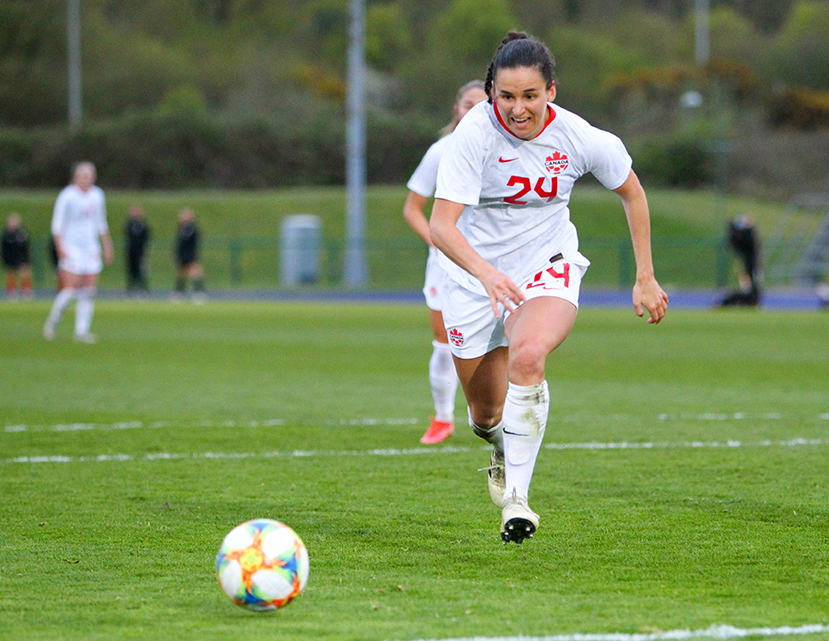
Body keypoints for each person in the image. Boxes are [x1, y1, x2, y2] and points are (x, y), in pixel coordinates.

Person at [429, 31, 668, 545]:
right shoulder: (472, 136)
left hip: (546, 262)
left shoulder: (580, 138)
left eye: (530, 96)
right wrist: (487, 274)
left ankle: (517, 501)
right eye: (507, 97)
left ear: (551, 92)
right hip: (472, 280)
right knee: (484, 415)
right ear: (493, 94)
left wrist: (644, 275)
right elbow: (441, 226)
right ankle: (499, 448)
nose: (518, 109)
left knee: (530, 355)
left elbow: (633, 193)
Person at [404, 80, 489, 444]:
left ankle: (493, 415)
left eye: (481, 105)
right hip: (446, 263)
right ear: (456, 109)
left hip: (493, 261)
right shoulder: (441, 151)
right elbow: (412, 209)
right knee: (445, 340)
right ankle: (442, 417)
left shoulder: (506, 150)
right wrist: (437, 243)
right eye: (467, 104)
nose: (473, 111)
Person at [43, 162, 114, 342]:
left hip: (91, 247)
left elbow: (101, 222)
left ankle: (81, 331)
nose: (87, 178)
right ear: (76, 176)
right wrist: (60, 247)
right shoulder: (67, 196)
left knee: (88, 290)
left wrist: (107, 245)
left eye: (90, 175)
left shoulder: (98, 195)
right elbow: (57, 224)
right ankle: (53, 322)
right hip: (71, 246)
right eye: (83, 175)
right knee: (71, 289)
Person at [718, 214, 761, 307]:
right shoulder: (745, 245)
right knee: (750, 287)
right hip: (748, 263)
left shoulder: (749, 241)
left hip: (750, 264)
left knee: (752, 288)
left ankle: (733, 300)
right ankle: (732, 300)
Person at [172, 208, 205, 302]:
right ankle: (179, 292)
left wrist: (193, 255)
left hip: (190, 253)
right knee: (181, 273)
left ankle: (199, 292)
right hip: (182, 254)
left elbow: (192, 241)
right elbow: (179, 242)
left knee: (195, 272)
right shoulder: (181, 228)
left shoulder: (192, 228)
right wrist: (176, 254)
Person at [2, 213, 33, 300]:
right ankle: (11, 293)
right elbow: (4, 249)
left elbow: (26, 247)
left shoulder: (22, 233)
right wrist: (5, 259)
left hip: (21, 258)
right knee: (11, 275)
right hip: (10, 258)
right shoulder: (6, 235)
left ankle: (26, 292)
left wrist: (26, 259)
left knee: (24, 274)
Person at [125, 204, 151, 295]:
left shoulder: (143, 225)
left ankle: (143, 289)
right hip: (131, 251)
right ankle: (131, 289)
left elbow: (147, 237)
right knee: (131, 270)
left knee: (141, 270)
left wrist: (145, 249)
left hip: (140, 252)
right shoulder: (129, 224)